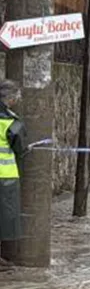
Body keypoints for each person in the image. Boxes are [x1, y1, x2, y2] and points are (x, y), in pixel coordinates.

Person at [0, 80, 27, 272]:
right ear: (10, 98)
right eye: (16, 97)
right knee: (5, 218)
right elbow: (20, 149)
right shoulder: (10, 121)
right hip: (5, 177)